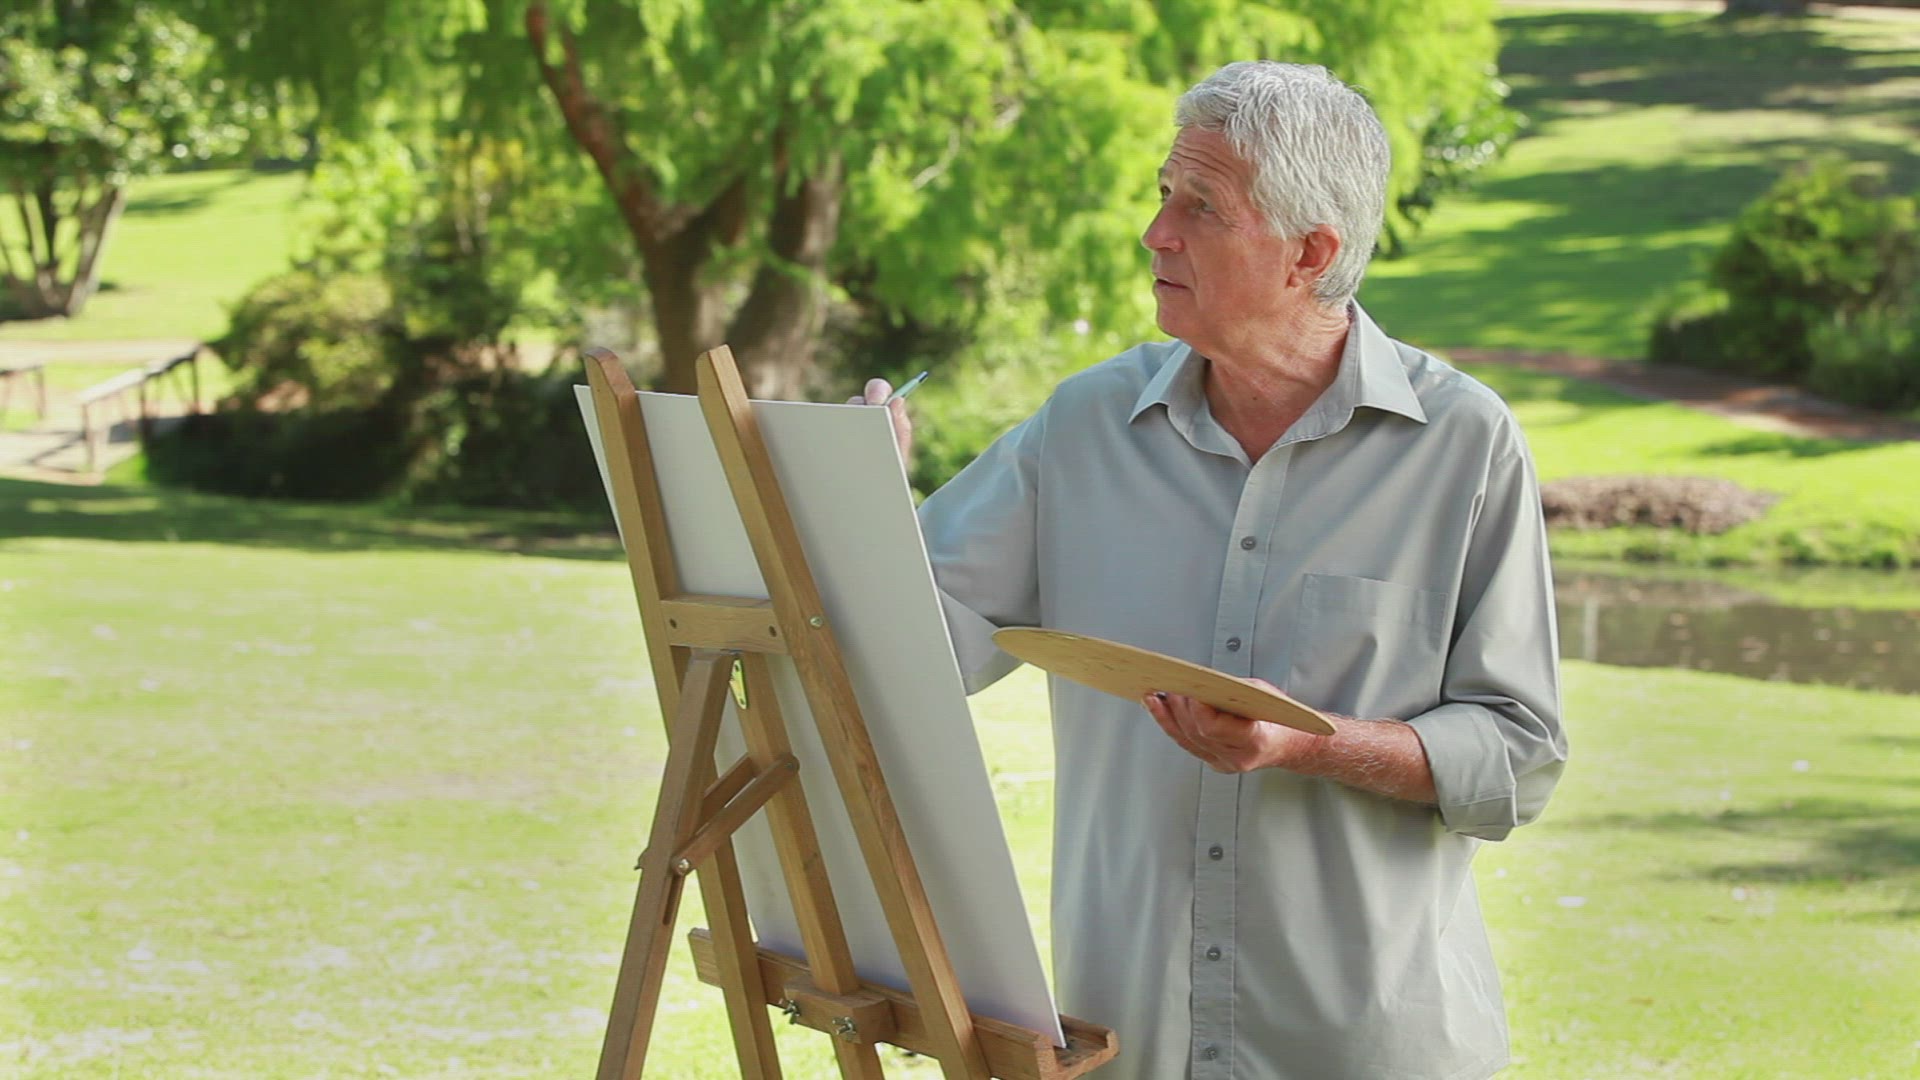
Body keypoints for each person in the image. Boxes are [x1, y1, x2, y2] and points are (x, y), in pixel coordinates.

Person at [858, 61, 1567, 1080]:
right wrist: (858, 503)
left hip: (1361, 1048)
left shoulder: (1463, 443)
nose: (1157, 233)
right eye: (1163, 194)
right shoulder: (1082, 427)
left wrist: (1307, 743)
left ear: (1310, 252)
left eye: (1201, 206)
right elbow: (913, 654)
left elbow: (1518, 755)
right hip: (1131, 1039)